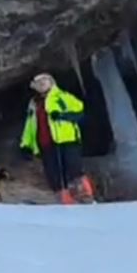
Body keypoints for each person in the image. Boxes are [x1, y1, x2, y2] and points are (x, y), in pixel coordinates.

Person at [20, 72, 94, 204]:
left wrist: (61, 116)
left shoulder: (62, 96)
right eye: (38, 83)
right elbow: (30, 126)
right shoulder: (34, 104)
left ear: (51, 82)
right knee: (53, 174)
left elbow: (80, 111)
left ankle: (85, 195)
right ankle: (64, 201)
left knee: (73, 168)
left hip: (66, 139)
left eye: (44, 82)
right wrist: (26, 145)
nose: (41, 85)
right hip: (45, 143)